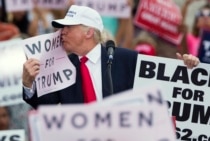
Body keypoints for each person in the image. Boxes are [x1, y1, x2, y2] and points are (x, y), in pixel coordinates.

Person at [22, 5, 200, 109]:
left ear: (89, 32)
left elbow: (163, 84)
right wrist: (28, 84)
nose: (63, 32)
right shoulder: (62, 67)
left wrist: (185, 69)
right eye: (62, 28)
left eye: (69, 27)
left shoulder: (126, 59)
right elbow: (45, 106)